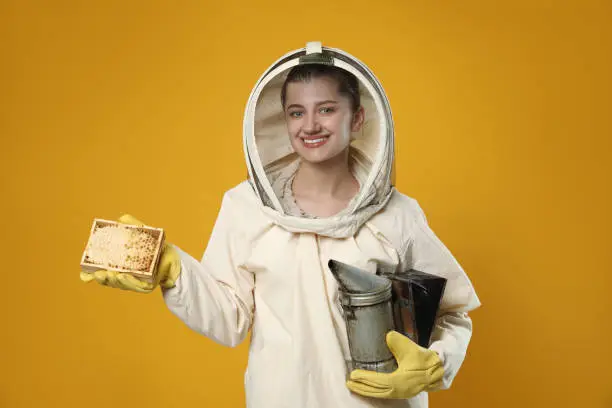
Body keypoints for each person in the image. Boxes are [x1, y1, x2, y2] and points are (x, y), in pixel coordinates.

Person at [81, 42, 481, 408]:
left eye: (326, 109)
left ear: (357, 118)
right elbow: (228, 319)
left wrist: (434, 364)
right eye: (296, 112)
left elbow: (451, 312)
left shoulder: (398, 214)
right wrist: (172, 269)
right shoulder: (245, 206)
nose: (310, 125)